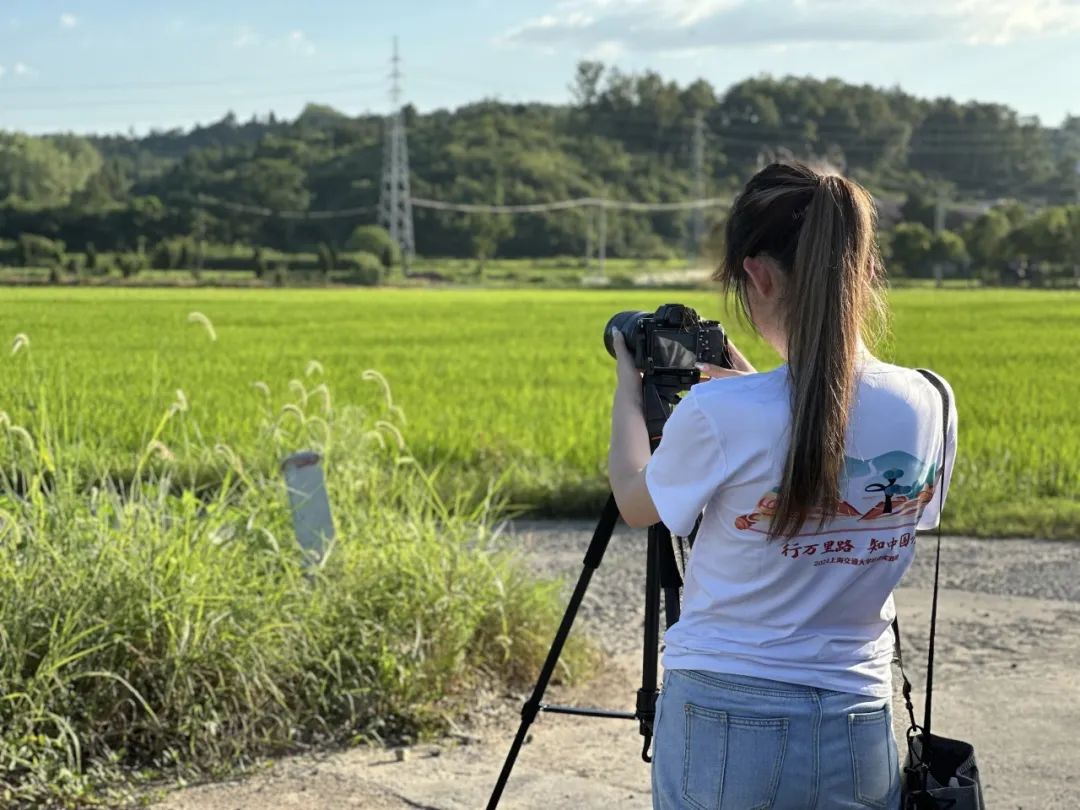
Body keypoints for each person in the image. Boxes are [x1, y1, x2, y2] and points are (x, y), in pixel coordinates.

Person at [607, 162, 957, 809]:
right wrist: (753, 384)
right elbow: (856, 489)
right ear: (865, 270)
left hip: (726, 713)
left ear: (757, 275)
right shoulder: (930, 399)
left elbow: (635, 500)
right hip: (862, 719)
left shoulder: (721, 415)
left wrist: (629, 388)